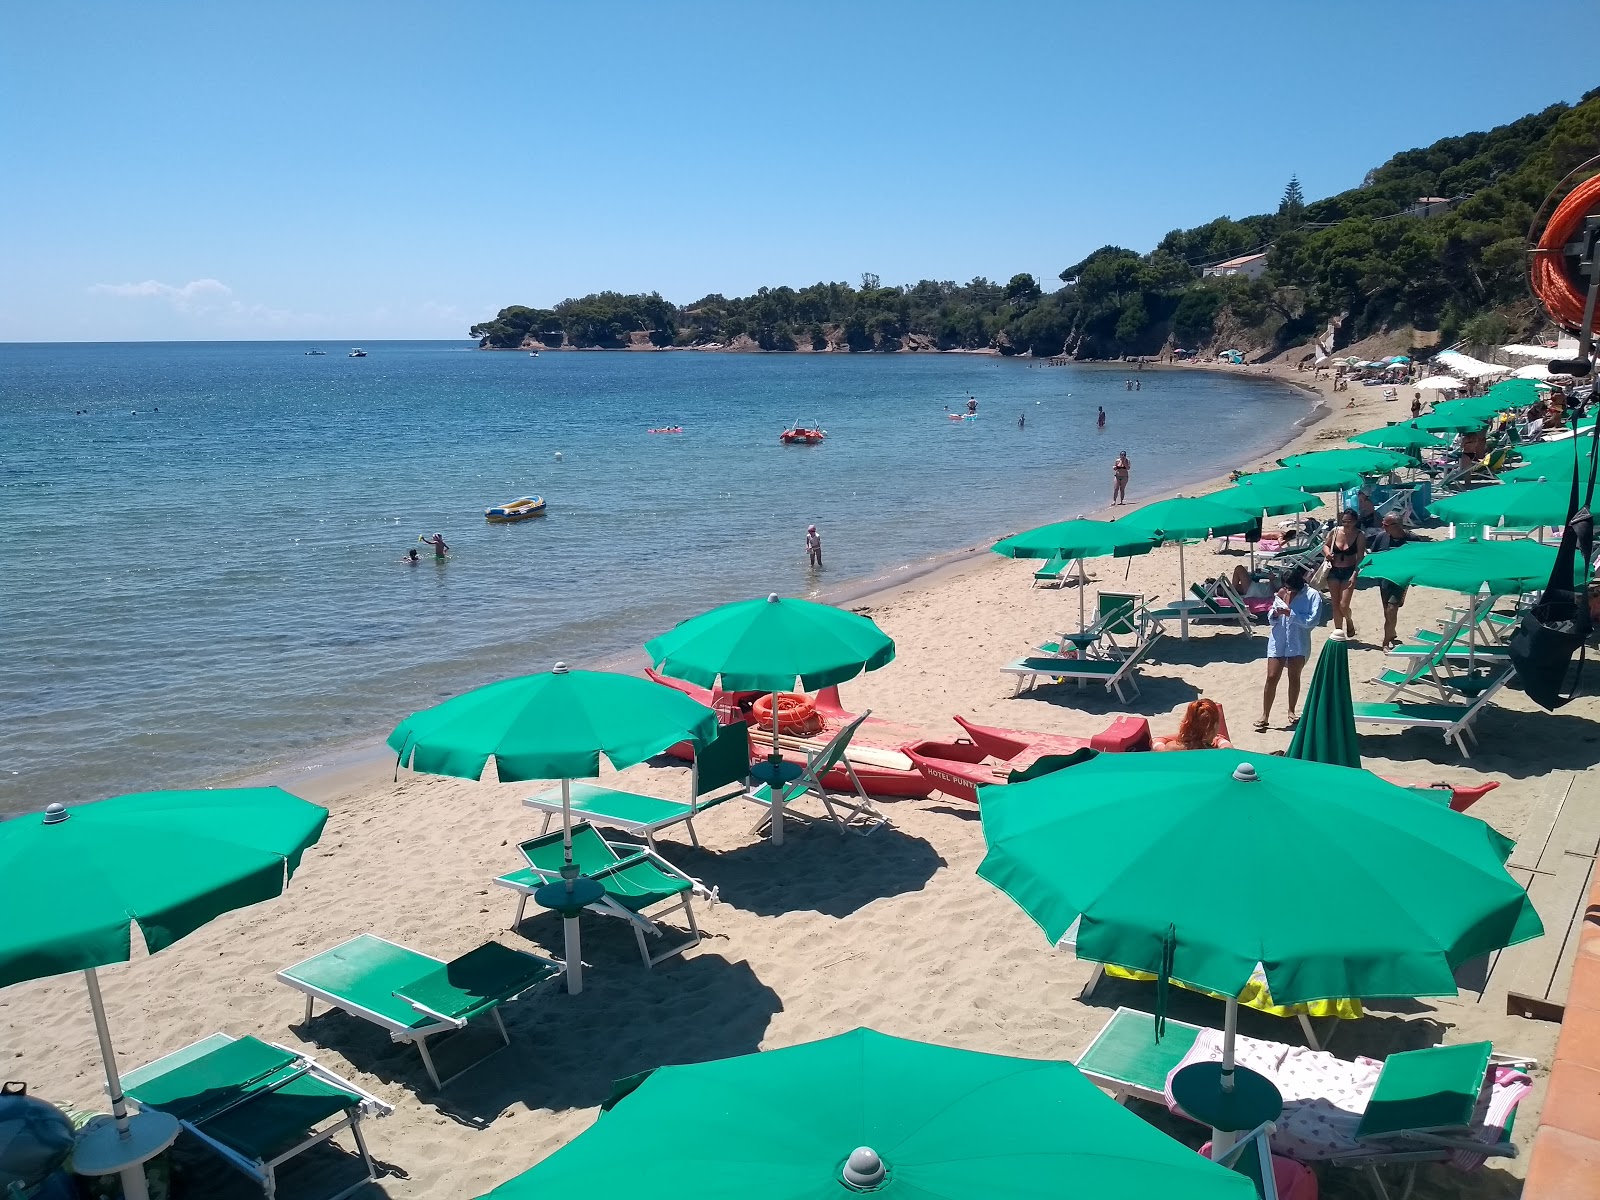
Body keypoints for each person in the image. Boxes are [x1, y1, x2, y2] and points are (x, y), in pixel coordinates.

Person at [1259, 567, 1322, 732]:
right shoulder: (1281, 592)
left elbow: (1312, 621)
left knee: (1294, 676)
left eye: (1290, 587)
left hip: (1298, 641)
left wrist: (1290, 613)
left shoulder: (1312, 596)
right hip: (1278, 638)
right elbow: (1271, 616)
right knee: (1271, 676)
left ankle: (1291, 710)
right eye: (1286, 587)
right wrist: (1275, 613)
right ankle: (1265, 715)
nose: (1288, 590)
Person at [1368, 512, 1411, 649]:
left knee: (1392, 609)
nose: (1383, 526)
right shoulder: (1381, 537)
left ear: (1397, 525)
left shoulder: (1412, 539)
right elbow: (1373, 556)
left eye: (1386, 525)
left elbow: (1422, 559)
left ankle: (1385, 643)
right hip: (1384, 580)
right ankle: (1391, 632)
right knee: (1388, 611)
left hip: (1400, 580)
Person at [1322, 509, 1366, 637]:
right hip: (1334, 570)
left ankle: (1349, 620)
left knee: (1343, 604)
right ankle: (1338, 633)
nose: (1346, 524)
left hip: (1349, 571)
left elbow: (1360, 557)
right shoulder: (1335, 531)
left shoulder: (1359, 535)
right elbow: (1325, 545)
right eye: (1344, 521)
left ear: (1355, 522)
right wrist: (1327, 553)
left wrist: (1355, 574)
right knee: (1335, 604)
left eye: (1349, 521)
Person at [1153, 698, 1231, 751]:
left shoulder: (1171, 748)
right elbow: (1228, 749)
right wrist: (1219, 739)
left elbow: (1158, 744)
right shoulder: (1219, 752)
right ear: (1214, 726)